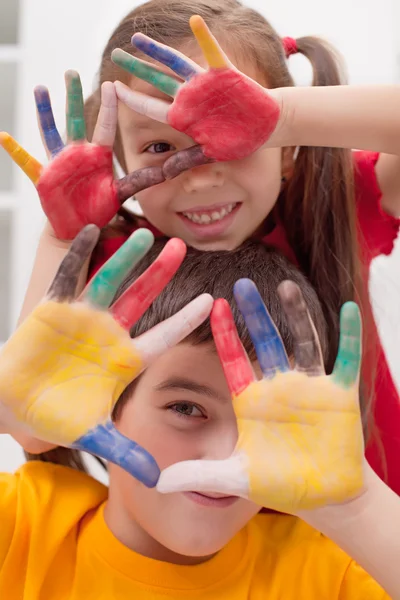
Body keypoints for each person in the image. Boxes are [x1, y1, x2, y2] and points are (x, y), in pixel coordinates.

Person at [1, 0, 400, 492]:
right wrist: (62, 235)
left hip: (358, 541)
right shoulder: (118, 265)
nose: (199, 178)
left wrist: (285, 115)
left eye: (235, 140)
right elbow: (29, 424)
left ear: (287, 148)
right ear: (121, 164)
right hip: (198, 548)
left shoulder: (334, 205)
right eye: (161, 148)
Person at [0, 230, 399, 598]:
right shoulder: (24, 527)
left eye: (264, 424)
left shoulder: (328, 574)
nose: (227, 453)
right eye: (186, 409)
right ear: (105, 403)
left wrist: (358, 508)